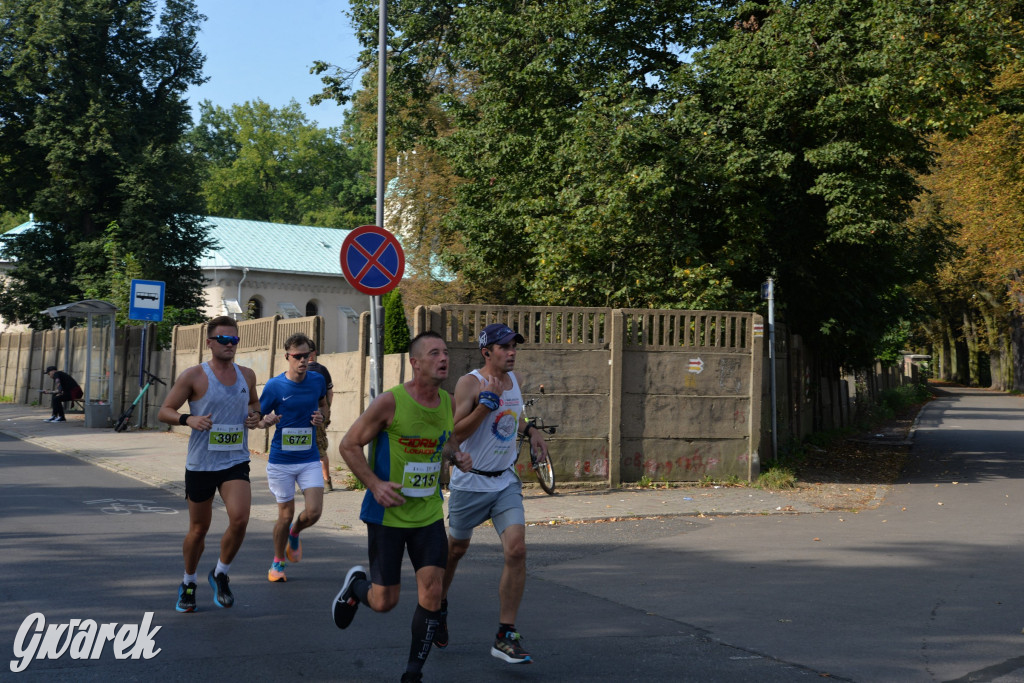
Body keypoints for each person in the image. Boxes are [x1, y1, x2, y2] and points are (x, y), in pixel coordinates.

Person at [331, 331, 472, 683]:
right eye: (434, 353)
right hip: (388, 514)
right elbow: (349, 445)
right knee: (384, 602)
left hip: (427, 514)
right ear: (415, 363)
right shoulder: (390, 402)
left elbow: (447, 438)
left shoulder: (447, 401)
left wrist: (456, 455)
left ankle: (413, 673)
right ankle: (356, 588)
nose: (443, 358)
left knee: (433, 593)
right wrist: (375, 484)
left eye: (446, 353)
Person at [435, 323, 549, 664]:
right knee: (455, 550)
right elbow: (451, 433)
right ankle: (437, 606)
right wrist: (484, 406)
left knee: (517, 550)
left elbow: (512, 416)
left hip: (504, 481)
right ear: (487, 352)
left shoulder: (514, 380)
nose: (512, 352)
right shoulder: (470, 383)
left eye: (514, 346)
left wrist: (532, 431)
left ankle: (506, 634)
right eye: (505, 347)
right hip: (470, 484)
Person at [158, 316, 261, 613]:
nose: (230, 345)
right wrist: (188, 419)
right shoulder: (194, 376)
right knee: (199, 529)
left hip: (235, 460)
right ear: (210, 343)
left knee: (240, 519)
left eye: (234, 340)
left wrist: (255, 415)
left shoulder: (247, 374)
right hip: (202, 463)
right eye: (224, 340)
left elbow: (255, 404)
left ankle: (221, 573)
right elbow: (164, 411)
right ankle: (188, 581)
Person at [256, 333, 328, 583]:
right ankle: (277, 561)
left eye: (307, 355)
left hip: (308, 458)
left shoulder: (317, 380)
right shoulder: (275, 386)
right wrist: (266, 421)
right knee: (285, 515)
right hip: (281, 461)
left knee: (314, 511)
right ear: (287, 356)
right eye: (297, 356)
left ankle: (295, 532)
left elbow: (323, 405)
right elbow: (257, 418)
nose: (303, 360)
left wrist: (322, 418)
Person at [306, 341, 335, 491]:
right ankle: (326, 481)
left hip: (305, 416)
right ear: (315, 352)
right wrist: (327, 413)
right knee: (320, 448)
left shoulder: (298, 370)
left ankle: (319, 481)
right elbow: (330, 393)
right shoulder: (322, 370)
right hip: (319, 415)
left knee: (311, 448)